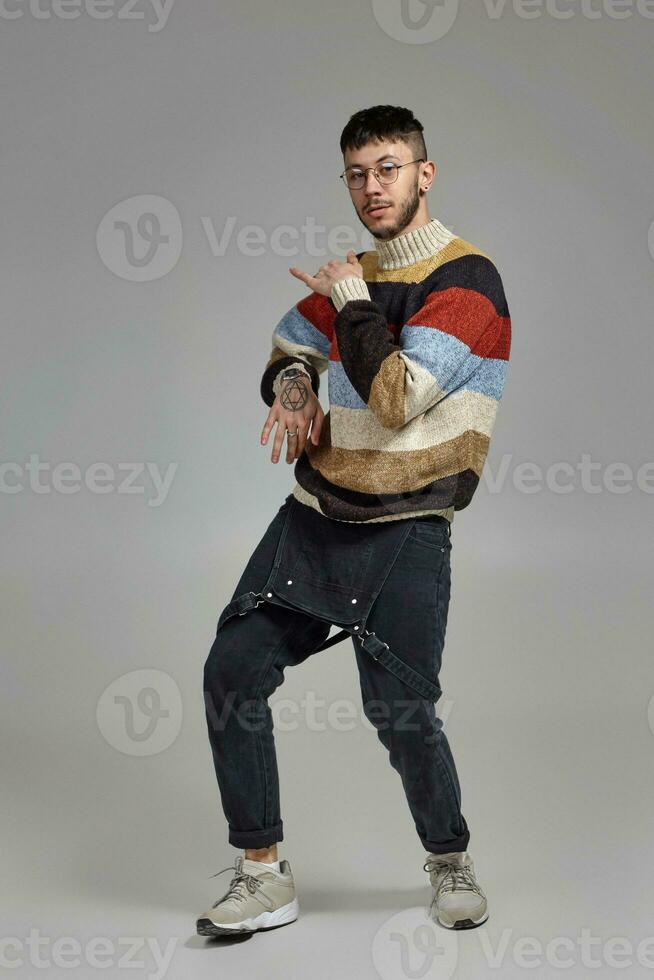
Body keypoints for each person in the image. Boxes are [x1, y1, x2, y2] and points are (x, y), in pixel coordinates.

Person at [197, 104, 511, 937]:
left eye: (389, 168)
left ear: (424, 173)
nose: (372, 187)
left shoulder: (468, 280)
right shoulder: (357, 274)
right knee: (232, 672)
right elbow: (288, 347)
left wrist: (350, 298)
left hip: (410, 522)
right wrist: (295, 385)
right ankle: (263, 873)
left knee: (399, 712)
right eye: (357, 173)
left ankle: (449, 858)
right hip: (318, 514)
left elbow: (398, 396)